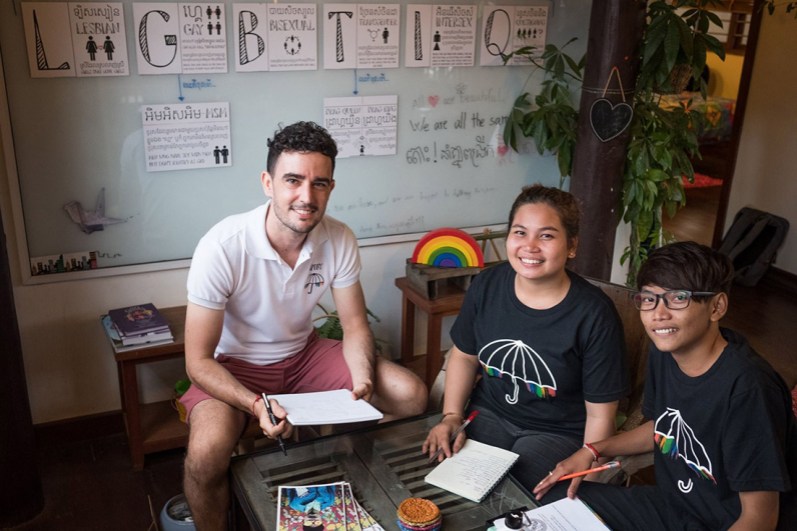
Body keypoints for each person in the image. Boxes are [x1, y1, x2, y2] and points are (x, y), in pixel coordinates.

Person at [180, 121, 427, 529]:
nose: (307, 197)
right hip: (234, 366)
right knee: (206, 455)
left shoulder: (339, 237)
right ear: (268, 183)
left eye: (320, 183)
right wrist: (255, 405)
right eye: (293, 180)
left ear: (331, 187)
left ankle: (343, 469)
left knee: (410, 395)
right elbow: (198, 361)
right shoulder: (222, 246)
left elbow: (354, 325)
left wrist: (363, 379)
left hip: (304, 355)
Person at [534, 241, 797, 530]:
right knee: (554, 498)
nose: (658, 314)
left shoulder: (749, 388)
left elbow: (760, 518)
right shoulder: (665, 351)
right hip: (672, 508)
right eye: (649, 299)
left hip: (721, 523)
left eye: (678, 298)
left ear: (716, 306)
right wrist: (592, 451)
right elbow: (663, 427)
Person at [422, 184, 629, 492]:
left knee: (513, 495)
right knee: (441, 477)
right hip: (488, 414)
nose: (530, 246)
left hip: (556, 432)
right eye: (520, 232)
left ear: (572, 245)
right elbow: (464, 357)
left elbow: (600, 414)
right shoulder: (488, 285)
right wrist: (451, 416)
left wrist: (589, 483)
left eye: (546, 236)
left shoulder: (594, 314)